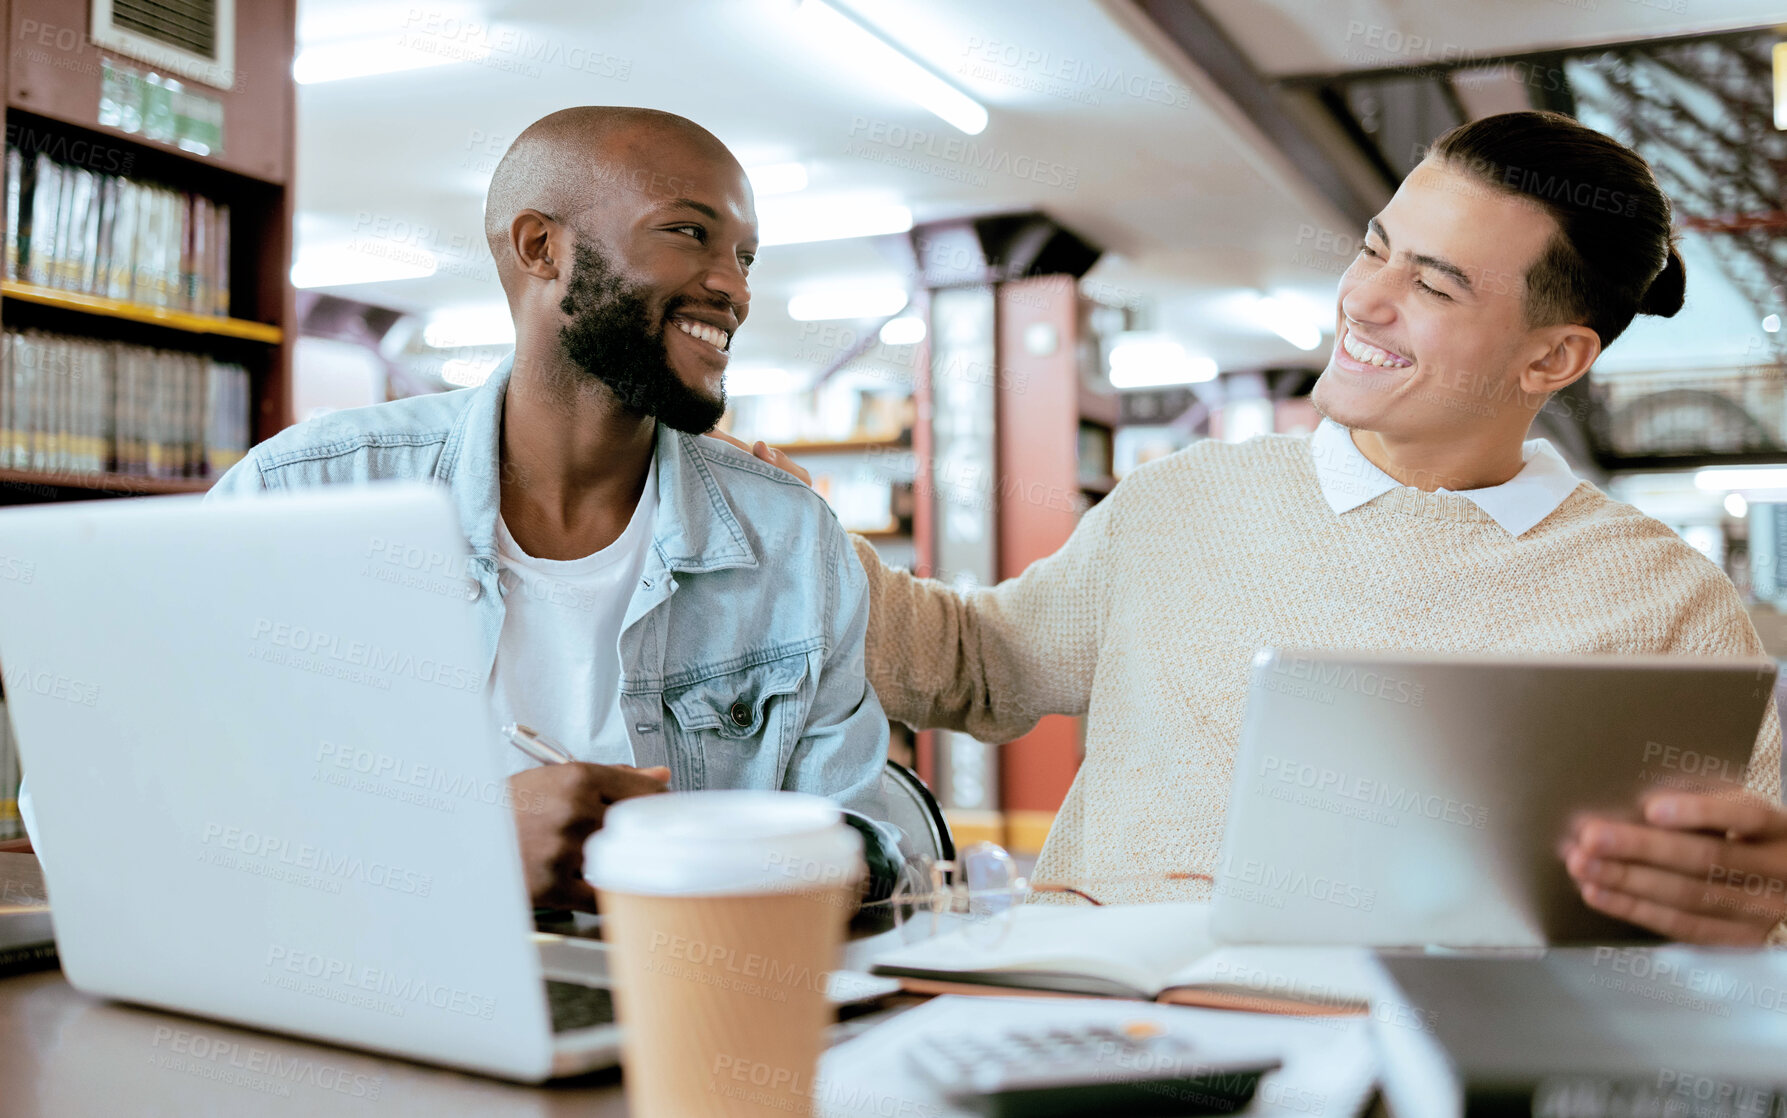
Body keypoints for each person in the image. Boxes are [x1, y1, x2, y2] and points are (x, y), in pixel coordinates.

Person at [730, 111, 1787, 945]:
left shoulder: (1661, 601)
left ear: (1551, 360)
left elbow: (1748, 884)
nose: (1364, 299)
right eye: (1376, 248)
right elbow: (969, 666)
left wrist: (1750, 905)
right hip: (1098, 1031)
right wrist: (797, 538)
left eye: (1429, 283)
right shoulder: (1177, 500)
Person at [208, 107, 891, 911]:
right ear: (542, 248)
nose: (734, 289)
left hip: (680, 1006)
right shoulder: (303, 495)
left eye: (744, 257)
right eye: (687, 233)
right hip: (351, 996)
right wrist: (458, 842)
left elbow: (855, 834)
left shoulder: (790, 539)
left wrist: (707, 859)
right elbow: (111, 784)